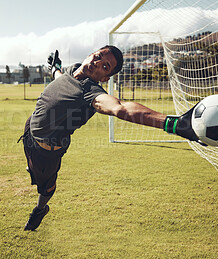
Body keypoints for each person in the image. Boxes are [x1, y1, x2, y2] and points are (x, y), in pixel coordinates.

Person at [20, 45, 198, 231]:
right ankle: (31, 166)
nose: (97, 63)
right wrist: (55, 67)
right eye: (97, 57)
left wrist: (173, 124)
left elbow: (120, 108)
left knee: (45, 187)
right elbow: (60, 78)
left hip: (46, 150)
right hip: (30, 130)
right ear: (90, 54)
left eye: (105, 67)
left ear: (105, 78)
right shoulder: (73, 70)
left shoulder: (90, 91)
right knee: (31, 161)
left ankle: (40, 209)